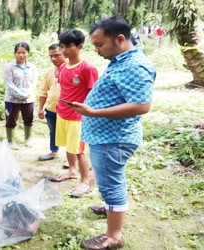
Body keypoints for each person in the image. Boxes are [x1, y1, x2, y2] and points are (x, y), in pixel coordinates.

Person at [71, 16, 156, 249]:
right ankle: (111, 207)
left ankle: (113, 237)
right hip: (106, 137)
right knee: (111, 180)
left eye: (99, 45)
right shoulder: (121, 60)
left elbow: (141, 105)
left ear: (119, 39)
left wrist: (94, 113)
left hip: (113, 139)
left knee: (111, 184)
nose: (97, 50)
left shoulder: (135, 65)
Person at [48, 29, 98, 199]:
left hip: (79, 117)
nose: (64, 50)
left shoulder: (87, 68)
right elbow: (64, 87)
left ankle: (85, 181)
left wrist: (90, 113)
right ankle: (72, 171)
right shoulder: (63, 66)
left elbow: (93, 94)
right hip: (62, 113)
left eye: (68, 46)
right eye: (62, 46)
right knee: (68, 146)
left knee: (79, 150)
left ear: (79, 46)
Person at [3, 42, 38, 149]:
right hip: (12, 99)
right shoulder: (9, 67)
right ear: (15, 53)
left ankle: (28, 139)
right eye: (19, 53)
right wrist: (21, 94)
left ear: (28, 53)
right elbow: (9, 83)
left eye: (24, 52)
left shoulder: (32, 67)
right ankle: (10, 141)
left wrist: (28, 93)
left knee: (29, 119)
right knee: (11, 120)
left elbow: (34, 81)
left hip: (28, 99)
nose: (21, 55)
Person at [37, 44, 66, 161]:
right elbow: (43, 91)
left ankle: (71, 159)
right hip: (51, 108)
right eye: (51, 56)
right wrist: (40, 108)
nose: (54, 59)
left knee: (71, 134)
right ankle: (54, 152)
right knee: (53, 131)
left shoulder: (71, 69)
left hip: (67, 109)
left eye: (57, 55)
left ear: (65, 53)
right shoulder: (49, 71)